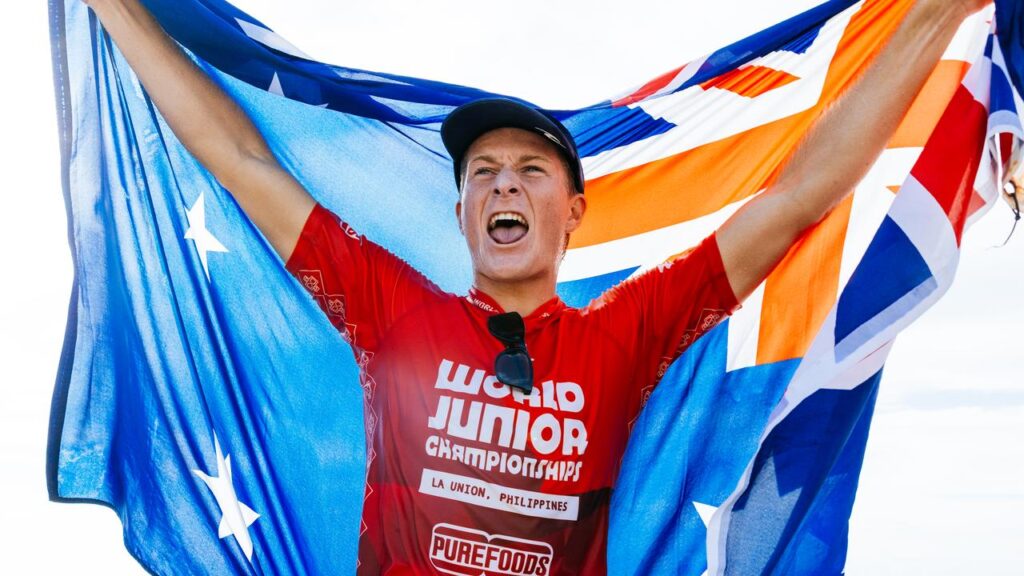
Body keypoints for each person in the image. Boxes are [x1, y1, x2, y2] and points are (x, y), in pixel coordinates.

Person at [83, 0, 989, 573]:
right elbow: (241, 160)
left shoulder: (621, 335)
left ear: (574, 214)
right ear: (463, 211)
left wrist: (933, 17)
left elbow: (798, 197)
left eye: (528, 170)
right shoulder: (392, 309)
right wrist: (116, 8)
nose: (504, 184)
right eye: (482, 172)